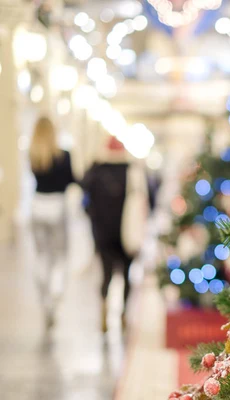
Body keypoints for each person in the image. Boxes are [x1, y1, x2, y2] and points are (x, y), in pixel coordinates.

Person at [81, 136, 148, 332]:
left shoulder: (96, 170)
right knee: (127, 274)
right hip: (127, 232)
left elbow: (84, 195)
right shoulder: (133, 170)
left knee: (106, 273)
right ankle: (123, 314)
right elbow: (147, 200)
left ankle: (104, 308)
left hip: (103, 232)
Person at [29, 116, 75, 329]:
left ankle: (45, 299)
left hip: (37, 205)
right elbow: (71, 179)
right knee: (59, 255)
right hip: (57, 206)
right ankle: (55, 292)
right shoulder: (63, 155)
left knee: (42, 255)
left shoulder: (33, 155)